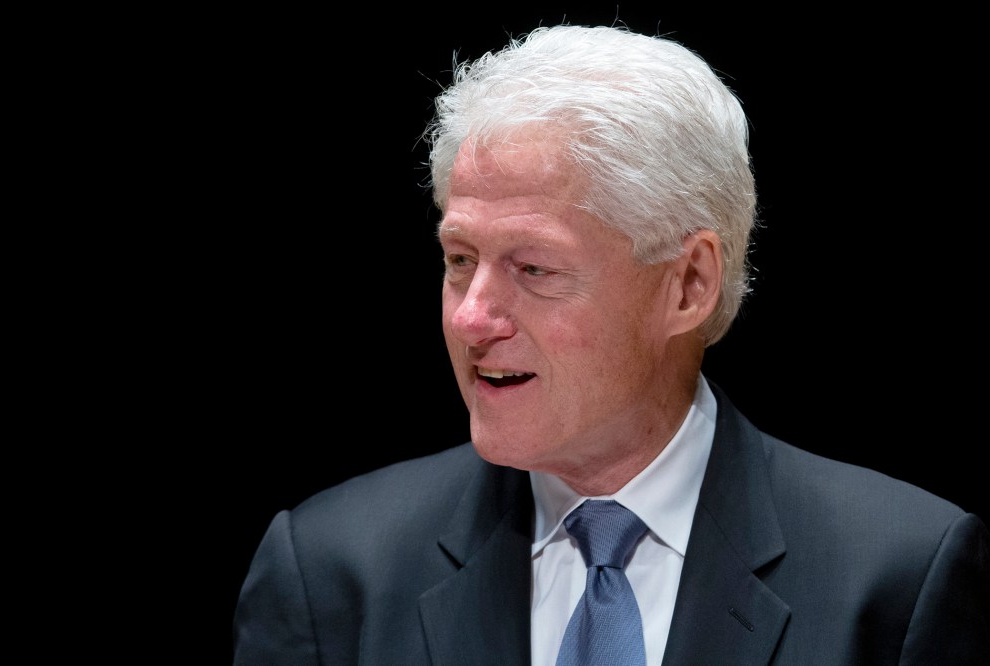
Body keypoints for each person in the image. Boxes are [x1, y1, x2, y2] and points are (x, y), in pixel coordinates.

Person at [233, 23, 989, 664]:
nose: (470, 318)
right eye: (460, 260)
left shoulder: (897, 578)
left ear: (688, 284)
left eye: (534, 269)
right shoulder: (330, 573)